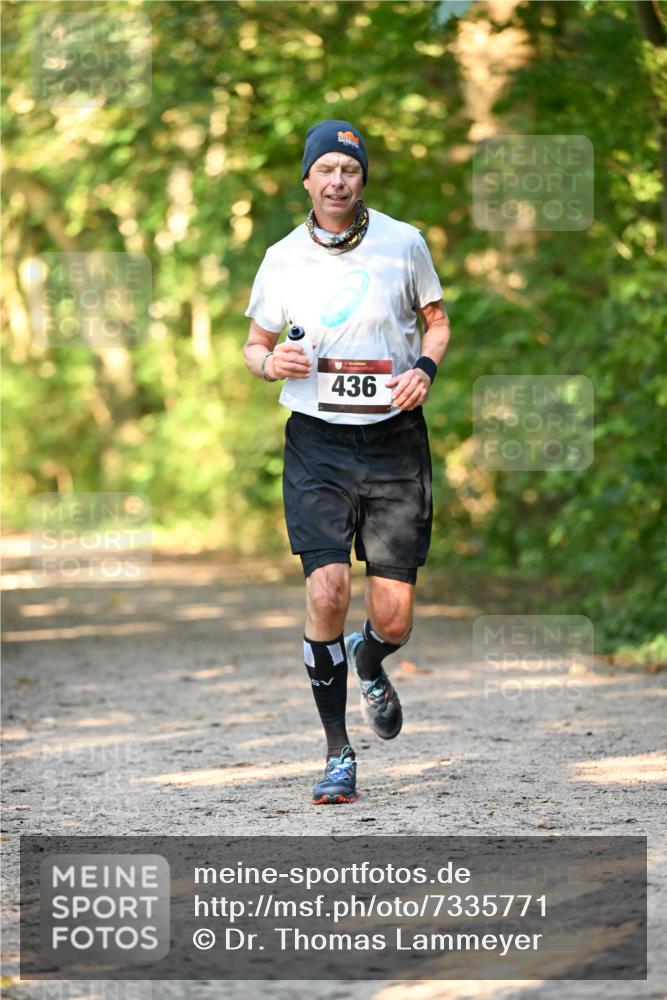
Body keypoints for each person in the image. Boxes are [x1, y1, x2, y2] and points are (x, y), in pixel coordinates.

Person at [243, 119, 450, 804]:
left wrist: (422, 365)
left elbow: (437, 320)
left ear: (362, 180)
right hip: (317, 442)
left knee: (392, 620)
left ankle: (369, 660)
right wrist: (270, 362)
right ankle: (337, 753)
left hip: (394, 440)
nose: (337, 180)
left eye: (349, 170)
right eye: (325, 169)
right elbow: (253, 346)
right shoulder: (281, 257)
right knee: (326, 591)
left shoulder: (403, 243)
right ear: (306, 179)